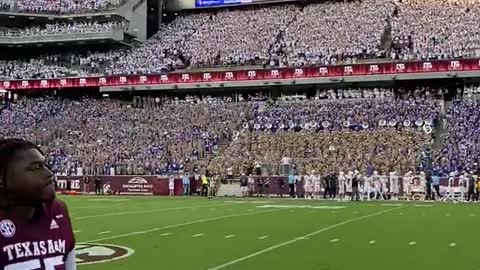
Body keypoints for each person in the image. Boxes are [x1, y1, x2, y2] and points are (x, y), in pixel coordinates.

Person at [0, 138, 76, 269]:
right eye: (35, 168)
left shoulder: (57, 211)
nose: (49, 173)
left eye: (45, 165)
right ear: (1, 178)